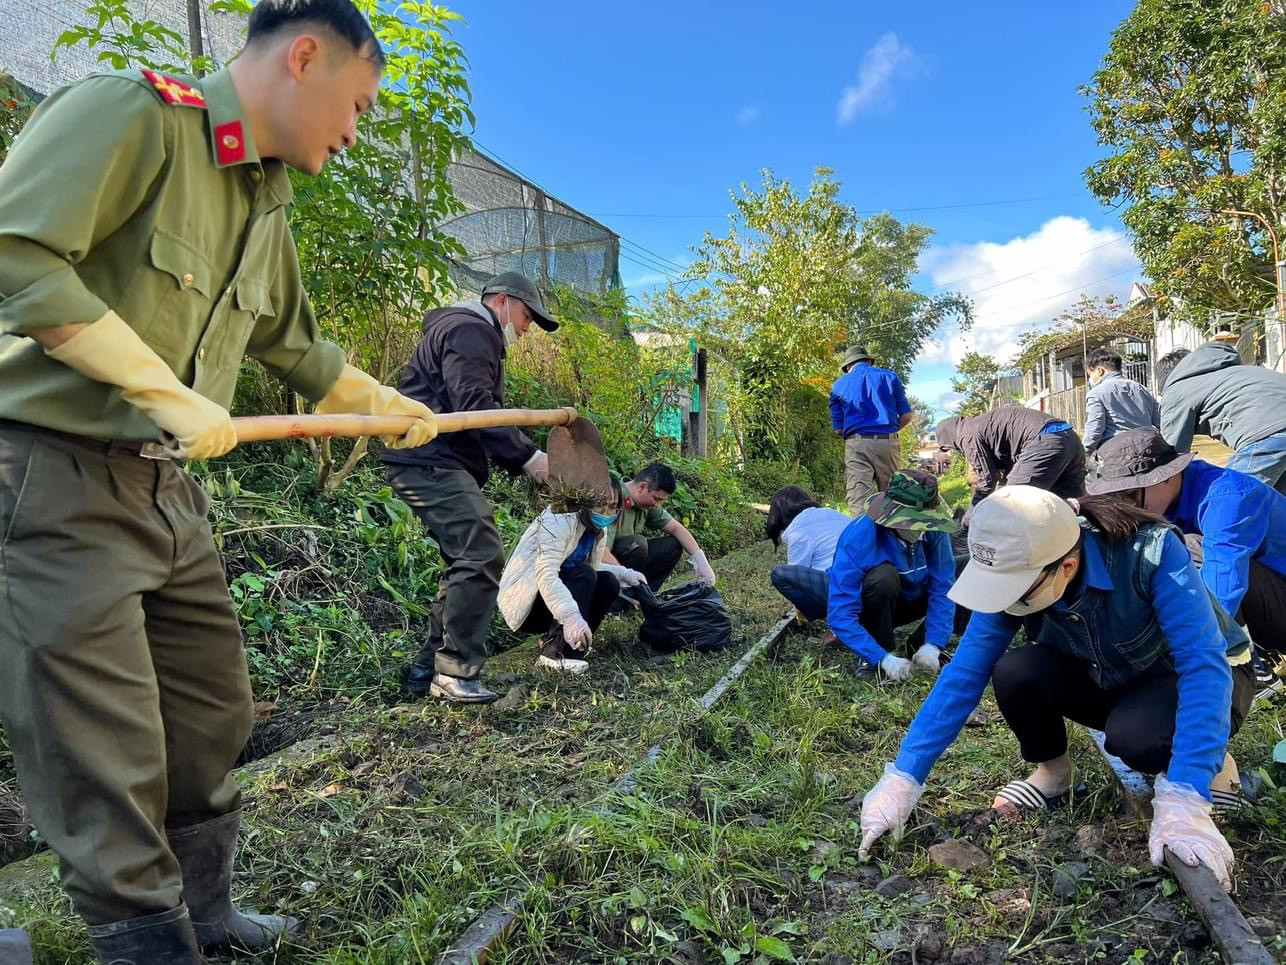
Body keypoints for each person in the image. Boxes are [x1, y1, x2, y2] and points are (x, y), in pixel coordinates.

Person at [0, 1, 439, 959]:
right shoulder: (133, 117)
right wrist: (162, 389)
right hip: (55, 471)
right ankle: (145, 938)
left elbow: (293, 341)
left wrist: (379, 401)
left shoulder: (263, 196)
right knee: (101, 740)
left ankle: (206, 907)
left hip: (169, 492)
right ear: (307, 57)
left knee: (213, 705)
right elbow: (16, 246)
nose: (356, 131)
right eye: (357, 105)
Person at [856, 487, 1255, 891]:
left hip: (1197, 676)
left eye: (1018, 591)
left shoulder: (1150, 552)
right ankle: (1055, 774)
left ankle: (1213, 762)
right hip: (1113, 675)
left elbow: (1203, 665)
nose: (1006, 601)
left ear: (1066, 566)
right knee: (1016, 670)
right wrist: (903, 777)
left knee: (1138, 740)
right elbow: (963, 674)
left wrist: (1186, 792)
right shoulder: (1022, 572)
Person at [383, 271, 557, 705]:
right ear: (501, 301)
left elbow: (472, 407)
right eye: (526, 315)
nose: (526, 326)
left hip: (434, 459)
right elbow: (475, 408)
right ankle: (455, 671)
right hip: (430, 460)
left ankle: (427, 669)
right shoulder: (471, 329)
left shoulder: (463, 330)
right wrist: (530, 458)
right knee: (481, 551)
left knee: (464, 559)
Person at [1088, 428, 1286, 662]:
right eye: (1116, 496)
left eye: (1130, 494)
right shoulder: (1169, 496)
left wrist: (1180, 651)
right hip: (1267, 600)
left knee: (1183, 547)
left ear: (1167, 476)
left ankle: (1236, 662)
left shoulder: (1229, 498)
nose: (1126, 505)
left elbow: (1224, 586)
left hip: (1274, 602)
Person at [498, 478, 648, 675]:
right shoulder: (559, 520)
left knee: (608, 582)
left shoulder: (597, 529)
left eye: (612, 506)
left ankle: (576, 645)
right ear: (584, 500)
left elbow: (590, 570)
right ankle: (556, 652)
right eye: (599, 505)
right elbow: (546, 573)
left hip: (554, 600)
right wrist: (571, 617)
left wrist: (623, 574)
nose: (605, 513)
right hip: (526, 601)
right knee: (584, 574)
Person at [826, 470, 960, 679]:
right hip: (875, 604)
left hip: (915, 595)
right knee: (883, 577)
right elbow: (840, 614)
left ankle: (921, 646)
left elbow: (943, 585)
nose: (921, 529)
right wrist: (881, 657)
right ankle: (880, 651)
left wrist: (934, 643)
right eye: (914, 522)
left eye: (925, 522)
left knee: (967, 572)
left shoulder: (934, 530)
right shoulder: (858, 539)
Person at [1157, 343, 1286, 494]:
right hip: (1275, 430)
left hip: (1269, 434)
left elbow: (1171, 462)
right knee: (1277, 501)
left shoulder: (1176, 390)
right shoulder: (1235, 373)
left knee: (1227, 497)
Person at [936, 407, 1086, 510]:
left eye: (947, 447)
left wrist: (973, 512)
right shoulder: (980, 424)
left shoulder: (966, 435)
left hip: (1046, 441)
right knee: (1072, 506)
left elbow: (986, 481)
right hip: (1070, 437)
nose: (952, 451)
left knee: (1013, 503)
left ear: (948, 437)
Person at [602, 462, 716, 589]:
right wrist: (624, 574)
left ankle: (646, 595)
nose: (657, 505)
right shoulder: (613, 500)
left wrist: (700, 560)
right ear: (642, 487)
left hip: (629, 566)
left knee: (672, 546)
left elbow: (676, 528)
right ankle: (621, 598)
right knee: (638, 544)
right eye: (656, 499)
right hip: (606, 567)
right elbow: (601, 551)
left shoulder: (646, 504)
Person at [829, 345, 914, 513]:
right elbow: (907, 416)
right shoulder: (889, 377)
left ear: (847, 367)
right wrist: (889, 430)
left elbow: (838, 429)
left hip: (857, 444)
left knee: (859, 502)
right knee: (894, 499)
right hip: (887, 443)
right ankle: (898, 537)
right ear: (869, 361)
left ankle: (864, 537)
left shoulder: (838, 386)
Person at [765, 485, 850, 621]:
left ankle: (830, 615)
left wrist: (800, 610)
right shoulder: (833, 513)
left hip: (842, 588)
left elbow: (797, 578)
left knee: (780, 575)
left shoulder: (799, 532)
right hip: (867, 581)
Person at [1082, 345, 1160, 454]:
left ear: (1099, 371)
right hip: (1148, 449)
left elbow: (1095, 428)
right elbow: (1160, 421)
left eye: (1090, 374)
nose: (1090, 379)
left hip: (1117, 453)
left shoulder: (1096, 394)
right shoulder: (1142, 389)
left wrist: (1084, 453)